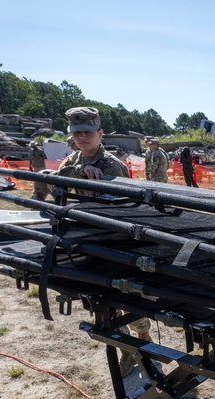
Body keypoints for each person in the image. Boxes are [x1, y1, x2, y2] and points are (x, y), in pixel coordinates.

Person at [56, 107, 150, 370]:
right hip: (84, 239)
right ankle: (126, 349)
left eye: (88, 132)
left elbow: (125, 207)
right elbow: (56, 185)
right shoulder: (71, 162)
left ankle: (143, 339)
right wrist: (79, 174)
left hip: (113, 241)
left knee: (125, 296)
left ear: (100, 133)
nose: (82, 137)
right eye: (77, 133)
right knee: (101, 303)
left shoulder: (111, 165)